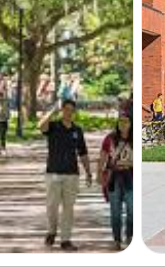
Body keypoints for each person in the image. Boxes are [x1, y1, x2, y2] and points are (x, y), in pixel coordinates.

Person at [40, 100, 92, 252]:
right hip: (53, 173)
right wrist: (52, 111)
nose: (69, 113)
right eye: (66, 109)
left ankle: (66, 239)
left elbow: (83, 153)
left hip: (71, 174)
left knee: (69, 208)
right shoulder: (53, 126)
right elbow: (41, 126)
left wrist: (88, 172)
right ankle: (51, 231)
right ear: (62, 110)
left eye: (71, 110)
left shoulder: (77, 130)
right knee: (52, 206)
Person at [98, 111, 133, 250]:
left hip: (131, 177)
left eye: (126, 121)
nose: (123, 124)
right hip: (114, 178)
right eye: (120, 121)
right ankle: (117, 239)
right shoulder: (110, 139)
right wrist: (99, 173)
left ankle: (129, 236)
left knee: (132, 210)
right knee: (115, 211)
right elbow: (102, 157)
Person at [0, 92, 10, 156]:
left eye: (0, 96)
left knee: (3, 136)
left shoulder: (5, 103)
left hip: (4, 121)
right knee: (0, 136)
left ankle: (2, 149)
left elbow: (7, 112)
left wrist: (6, 116)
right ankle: (1, 149)